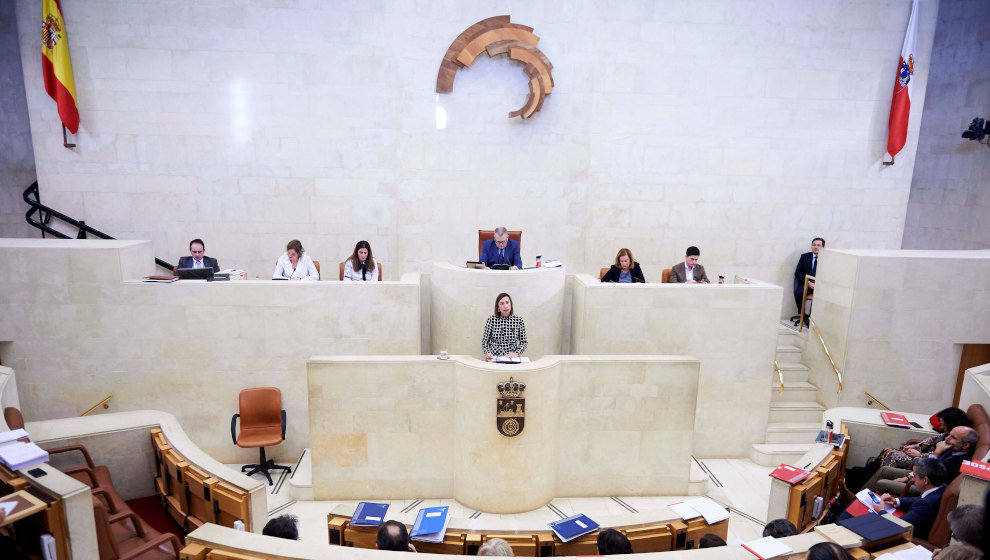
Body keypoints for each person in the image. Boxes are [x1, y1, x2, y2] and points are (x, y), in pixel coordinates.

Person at [862, 426, 977, 496]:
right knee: (885, 470)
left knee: (881, 484)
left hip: (925, 486)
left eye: (953, 437)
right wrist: (908, 476)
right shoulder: (952, 448)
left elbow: (932, 477)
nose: (947, 438)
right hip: (920, 475)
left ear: (966, 445)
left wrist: (937, 453)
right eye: (949, 435)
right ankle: (855, 498)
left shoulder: (960, 462)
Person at [869, 458, 948, 541]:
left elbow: (898, 526)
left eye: (915, 476)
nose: (912, 480)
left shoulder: (925, 504)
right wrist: (896, 501)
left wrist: (881, 511)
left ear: (925, 480)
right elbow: (920, 499)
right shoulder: (942, 487)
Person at [881, 407, 971, 470]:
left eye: (943, 425)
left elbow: (938, 457)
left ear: (951, 424)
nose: (942, 427)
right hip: (922, 454)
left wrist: (919, 455)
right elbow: (932, 440)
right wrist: (916, 446)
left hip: (926, 462)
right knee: (886, 450)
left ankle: (884, 480)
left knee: (892, 454)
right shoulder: (948, 434)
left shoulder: (956, 441)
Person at [482, 293, 528, 360]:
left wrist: (517, 353)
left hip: (512, 358)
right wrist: (488, 352)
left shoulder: (518, 321)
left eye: (507, 302)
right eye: (502, 303)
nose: (505, 306)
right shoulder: (491, 320)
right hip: (495, 358)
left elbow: (524, 342)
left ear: (511, 304)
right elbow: (485, 342)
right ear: (498, 307)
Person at [794, 238, 825, 318]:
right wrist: (808, 283)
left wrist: (818, 284)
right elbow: (798, 272)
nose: (816, 247)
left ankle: (815, 317)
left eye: (818, 245)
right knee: (798, 293)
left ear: (823, 247)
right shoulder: (804, 256)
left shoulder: (827, 259)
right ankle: (804, 316)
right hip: (807, 284)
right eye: (814, 245)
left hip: (820, 285)